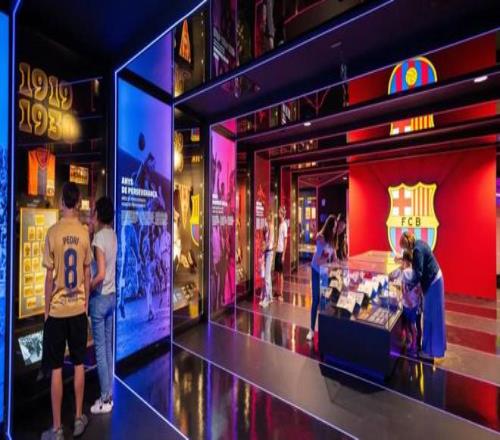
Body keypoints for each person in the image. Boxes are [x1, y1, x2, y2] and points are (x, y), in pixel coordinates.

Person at [41, 182, 92, 440]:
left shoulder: (52, 232)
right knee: (80, 363)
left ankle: (57, 429)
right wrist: (85, 304)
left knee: (56, 368)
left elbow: (48, 278)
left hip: (58, 311)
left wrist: (46, 309)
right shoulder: (84, 233)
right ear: (78, 202)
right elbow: (87, 272)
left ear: (62, 201)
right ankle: (79, 417)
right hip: (78, 309)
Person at [89, 197, 117, 414]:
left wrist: (87, 286)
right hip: (112, 297)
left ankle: (105, 398)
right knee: (107, 346)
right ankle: (109, 393)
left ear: (98, 214)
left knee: (100, 349)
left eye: (94, 211)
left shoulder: (99, 238)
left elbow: (99, 274)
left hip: (99, 299)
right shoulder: (112, 235)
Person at [399, 231, 446, 360]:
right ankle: (431, 349)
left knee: (431, 316)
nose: (405, 250)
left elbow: (418, 273)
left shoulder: (417, 251)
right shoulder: (419, 244)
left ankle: (430, 351)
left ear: (406, 244)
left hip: (433, 282)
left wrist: (409, 285)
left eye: (403, 248)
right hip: (434, 280)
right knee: (431, 315)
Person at [307, 215, 337, 341]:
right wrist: (316, 232)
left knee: (324, 301)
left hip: (324, 273)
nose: (335, 229)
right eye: (334, 226)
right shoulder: (322, 237)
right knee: (316, 300)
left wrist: (335, 263)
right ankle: (311, 329)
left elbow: (334, 258)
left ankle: (323, 329)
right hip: (315, 270)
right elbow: (317, 237)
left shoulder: (332, 242)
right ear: (330, 227)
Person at [401, 250, 423, 354]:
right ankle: (414, 345)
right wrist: (415, 299)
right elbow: (419, 289)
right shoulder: (416, 272)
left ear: (405, 260)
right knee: (413, 325)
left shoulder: (405, 272)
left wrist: (407, 300)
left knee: (407, 323)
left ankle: (408, 341)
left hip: (406, 304)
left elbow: (403, 289)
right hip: (414, 304)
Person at [260, 212, 274, 308]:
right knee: (267, 275)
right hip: (267, 252)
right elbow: (265, 239)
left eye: (267, 216)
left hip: (269, 252)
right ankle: (270, 297)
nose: (266, 218)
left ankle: (267, 298)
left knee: (267, 276)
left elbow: (269, 241)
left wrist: (264, 248)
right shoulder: (268, 226)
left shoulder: (271, 226)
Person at [274, 206, 288, 298]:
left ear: (282, 214)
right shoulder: (280, 224)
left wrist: (283, 255)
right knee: (277, 272)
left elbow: (285, 240)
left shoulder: (284, 225)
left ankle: (281, 292)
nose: (278, 214)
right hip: (277, 250)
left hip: (281, 251)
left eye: (279, 212)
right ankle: (277, 290)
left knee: (281, 273)